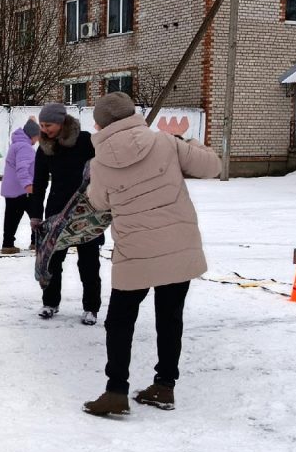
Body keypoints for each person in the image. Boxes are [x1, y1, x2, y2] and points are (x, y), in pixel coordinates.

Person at [82, 92, 221, 416]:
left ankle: (116, 391)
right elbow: (212, 166)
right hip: (177, 247)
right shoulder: (165, 143)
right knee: (170, 318)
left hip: (135, 255)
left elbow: (99, 203)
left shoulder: (99, 164)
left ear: (100, 124)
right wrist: (188, 143)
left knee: (119, 322)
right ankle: (164, 386)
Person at [30, 102, 102, 325]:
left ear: (62, 122)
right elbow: (39, 182)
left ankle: (91, 308)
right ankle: (50, 303)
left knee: (88, 263)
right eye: (42, 125)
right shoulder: (45, 147)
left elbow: (104, 168)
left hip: (86, 210)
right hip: (57, 211)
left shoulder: (86, 141)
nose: (45, 129)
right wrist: (35, 214)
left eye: (49, 124)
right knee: (52, 260)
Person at [0, 118, 40, 254]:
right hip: (23, 189)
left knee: (11, 217)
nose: (37, 141)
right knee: (36, 214)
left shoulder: (17, 144)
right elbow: (22, 168)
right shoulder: (25, 147)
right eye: (37, 137)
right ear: (32, 135)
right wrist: (28, 184)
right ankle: (37, 242)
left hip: (12, 189)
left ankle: (7, 244)